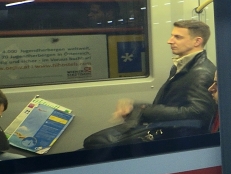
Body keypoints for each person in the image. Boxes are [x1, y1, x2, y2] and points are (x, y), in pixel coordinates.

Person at [83, 19, 217, 148]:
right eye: (172, 36)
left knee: (97, 144)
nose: (169, 41)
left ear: (197, 41)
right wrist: (136, 107)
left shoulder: (201, 72)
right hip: (171, 131)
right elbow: (173, 103)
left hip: (179, 138)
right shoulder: (183, 65)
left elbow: (199, 112)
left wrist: (145, 110)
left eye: (178, 37)